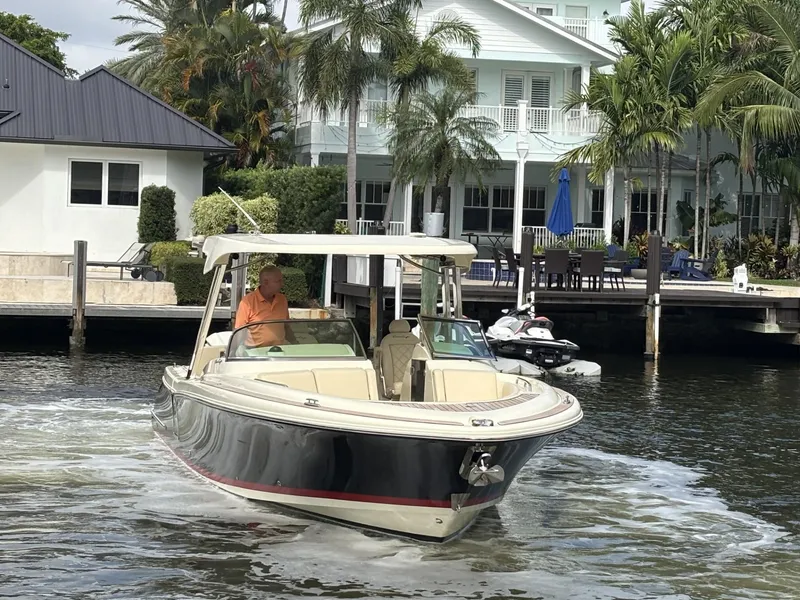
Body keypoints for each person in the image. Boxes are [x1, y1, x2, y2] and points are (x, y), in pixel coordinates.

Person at [234, 265, 290, 347]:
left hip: (279, 351)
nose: (282, 284)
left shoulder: (282, 300)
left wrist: (296, 344)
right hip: (255, 353)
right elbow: (239, 332)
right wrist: (233, 352)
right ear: (265, 282)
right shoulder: (247, 302)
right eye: (278, 281)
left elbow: (286, 326)